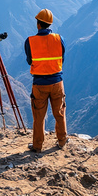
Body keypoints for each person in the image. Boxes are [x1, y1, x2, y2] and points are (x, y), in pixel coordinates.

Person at [24, 8, 68, 152]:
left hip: (39, 84)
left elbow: (30, 61)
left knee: (39, 116)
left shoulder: (30, 41)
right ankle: (62, 141)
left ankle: (37, 146)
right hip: (57, 82)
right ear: (50, 24)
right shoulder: (59, 38)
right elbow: (62, 58)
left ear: (38, 24)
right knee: (59, 113)